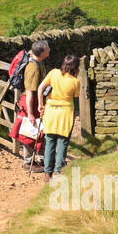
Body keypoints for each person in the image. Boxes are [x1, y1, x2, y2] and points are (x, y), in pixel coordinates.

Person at [37, 53, 82, 182]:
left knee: (50, 141)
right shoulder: (75, 82)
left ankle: (47, 172)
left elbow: (40, 88)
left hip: (50, 111)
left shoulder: (54, 73)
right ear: (75, 67)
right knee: (62, 142)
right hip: (65, 113)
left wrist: (41, 104)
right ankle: (58, 171)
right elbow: (75, 96)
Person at [9, 38, 50, 167]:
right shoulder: (33, 68)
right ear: (42, 52)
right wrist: (31, 114)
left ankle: (42, 159)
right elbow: (30, 92)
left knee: (41, 130)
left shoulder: (37, 59)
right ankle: (28, 162)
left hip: (36, 100)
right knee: (30, 131)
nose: (50, 50)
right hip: (30, 102)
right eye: (47, 49)